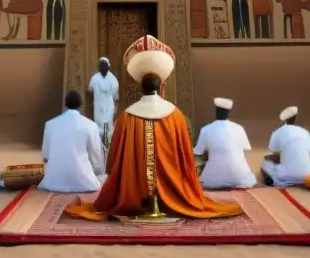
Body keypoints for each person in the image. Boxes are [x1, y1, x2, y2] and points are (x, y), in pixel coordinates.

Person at [66, 35, 242, 220]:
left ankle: (142, 199)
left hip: (132, 190)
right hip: (173, 189)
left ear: (141, 88)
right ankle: (166, 199)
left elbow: (114, 157)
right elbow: (186, 157)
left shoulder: (127, 117)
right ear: (160, 88)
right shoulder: (175, 115)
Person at [38, 90, 106, 193]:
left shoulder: (50, 124)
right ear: (81, 105)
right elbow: (96, 158)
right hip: (85, 182)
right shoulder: (91, 125)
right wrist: (96, 172)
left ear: (65, 104)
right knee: (105, 177)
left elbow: (46, 156)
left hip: (53, 181)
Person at [194, 98, 256, 190]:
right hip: (242, 180)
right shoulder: (239, 128)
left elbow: (198, 152)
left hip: (213, 181)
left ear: (216, 111)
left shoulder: (206, 129)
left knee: (199, 169)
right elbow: (245, 151)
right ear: (229, 113)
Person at [261, 107, 310, 187]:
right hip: (308, 176)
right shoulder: (304, 132)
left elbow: (274, 151)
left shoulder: (278, 132)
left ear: (285, 119)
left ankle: (272, 180)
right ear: (295, 117)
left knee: (266, 160)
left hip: (286, 177)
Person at [87, 57, 119, 152]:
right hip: (98, 108)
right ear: (98, 67)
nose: (102, 67)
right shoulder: (94, 78)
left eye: (104, 65)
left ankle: (109, 151)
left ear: (108, 67)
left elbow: (116, 97)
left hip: (109, 109)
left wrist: (115, 111)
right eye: (100, 65)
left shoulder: (113, 79)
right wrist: (92, 103)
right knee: (98, 128)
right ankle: (98, 150)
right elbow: (90, 91)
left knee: (109, 130)